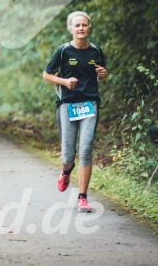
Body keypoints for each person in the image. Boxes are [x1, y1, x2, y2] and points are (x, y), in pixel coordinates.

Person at [42, 11, 107, 213]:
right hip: (67, 104)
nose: (81, 28)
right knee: (68, 155)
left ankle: (82, 197)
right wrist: (64, 82)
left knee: (86, 150)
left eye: (84, 25)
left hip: (90, 104)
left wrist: (103, 74)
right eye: (77, 25)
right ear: (70, 28)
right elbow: (46, 74)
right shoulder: (63, 52)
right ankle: (65, 170)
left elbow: (100, 75)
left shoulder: (96, 51)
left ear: (89, 27)